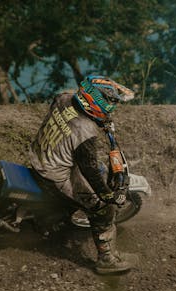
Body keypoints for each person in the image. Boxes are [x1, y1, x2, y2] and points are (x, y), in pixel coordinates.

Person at [29, 75, 137, 274]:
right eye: (111, 102)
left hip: (41, 153)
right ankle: (106, 259)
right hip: (54, 174)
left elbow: (62, 113)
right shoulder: (85, 131)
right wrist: (107, 196)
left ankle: (56, 215)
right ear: (96, 102)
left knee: (96, 175)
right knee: (104, 210)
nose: (113, 106)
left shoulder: (64, 97)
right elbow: (90, 171)